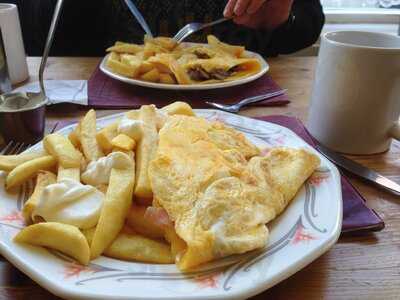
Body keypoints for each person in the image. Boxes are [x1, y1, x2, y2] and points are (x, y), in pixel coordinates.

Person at [11, 0, 324, 57]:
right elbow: (45, 42)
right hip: (118, 107)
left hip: (247, 108)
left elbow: (307, 25)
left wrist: (283, 20)